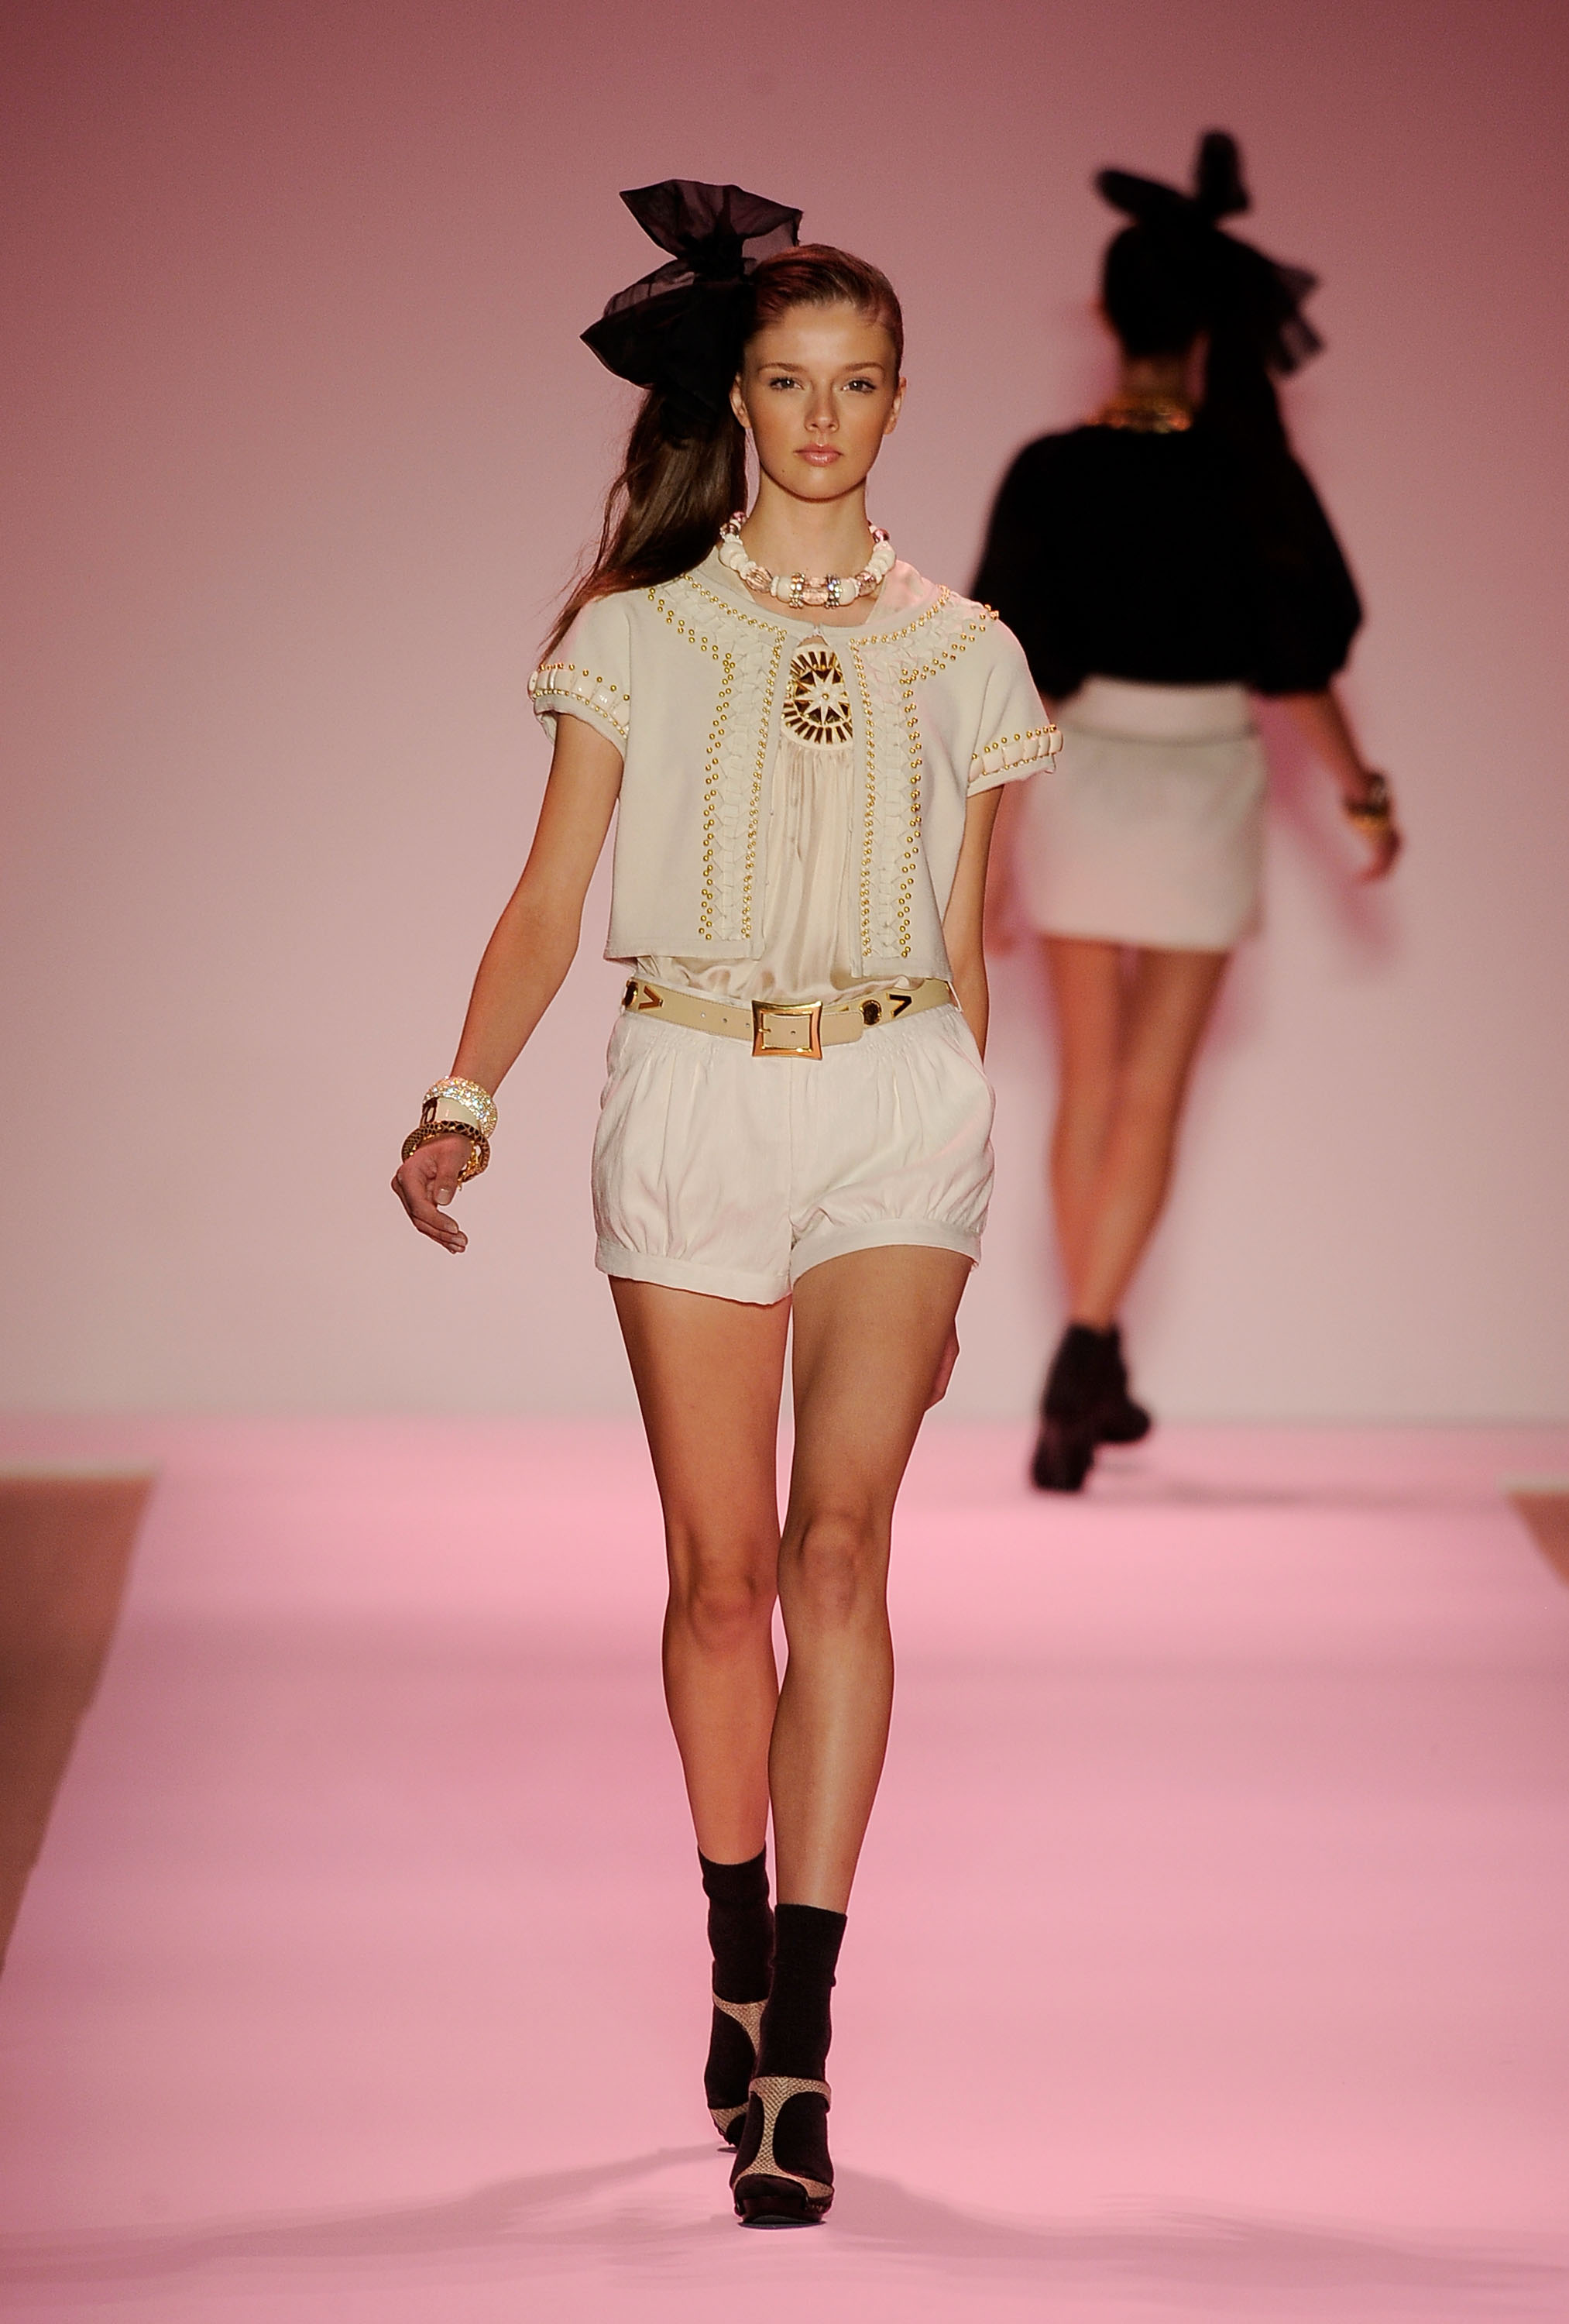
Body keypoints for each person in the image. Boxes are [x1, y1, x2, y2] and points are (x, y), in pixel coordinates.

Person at [391, 181, 1057, 2225]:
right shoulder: (637, 634)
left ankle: (800, 2053)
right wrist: (461, 1098)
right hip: (688, 1088)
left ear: (900, 400)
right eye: (789, 382)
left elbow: (969, 940)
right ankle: (732, 1945)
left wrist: (961, 1210)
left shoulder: (969, 652)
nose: (823, 418)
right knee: (717, 1579)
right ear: (741, 401)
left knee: (840, 1549)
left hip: (898, 1106)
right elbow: (547, 897)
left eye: (858, 384)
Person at [974, 132, 1401, 1494]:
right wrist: (1361, 794)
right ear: (1210, 324)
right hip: (1205, 776)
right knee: (1151, 1093)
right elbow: (1301, 662)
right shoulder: (1247, 472)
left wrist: (987, 851)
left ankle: (1085, 1355)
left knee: (1087, 1087)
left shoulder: (1050, 471)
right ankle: (1087, 1349)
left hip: (1078, 777)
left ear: (1109, 319)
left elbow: (1007, 670)